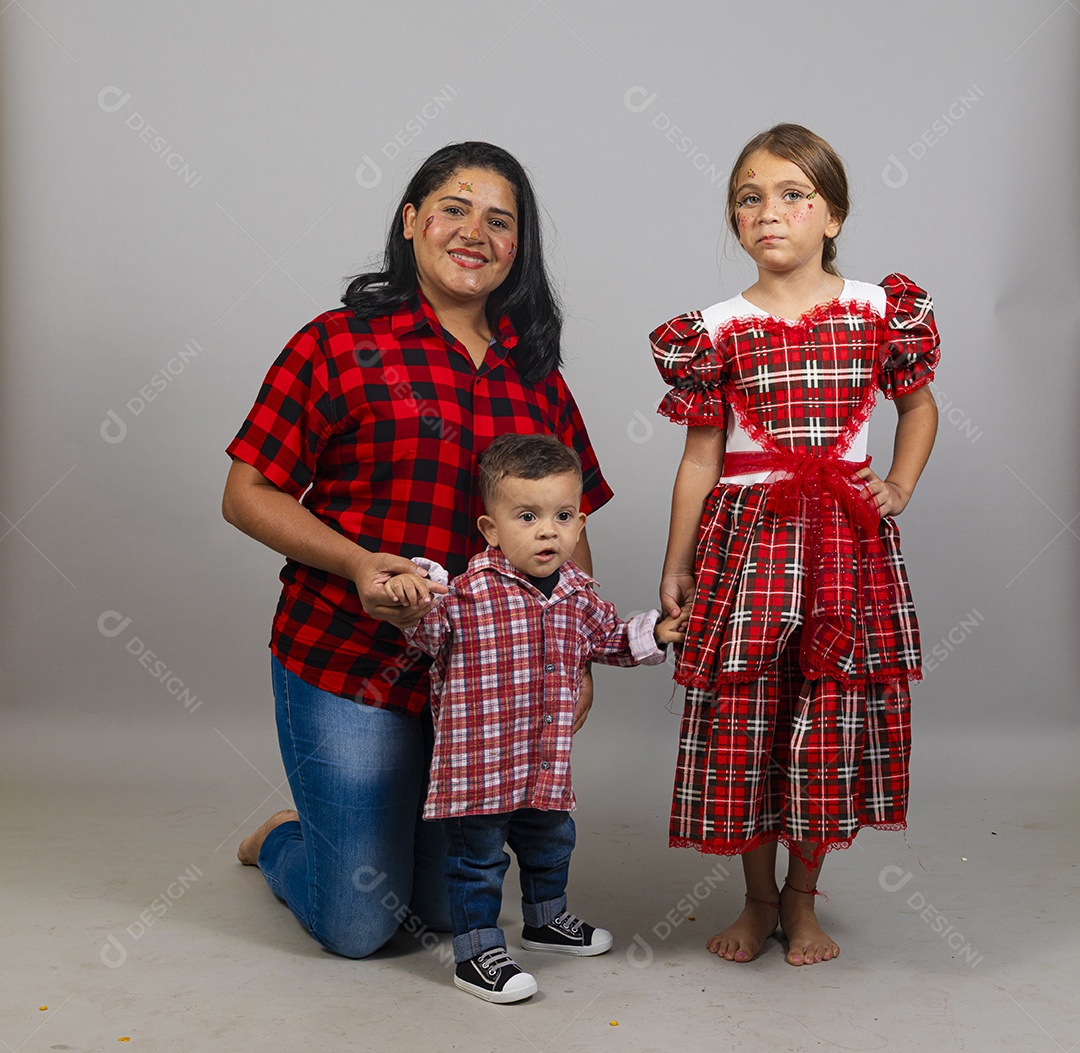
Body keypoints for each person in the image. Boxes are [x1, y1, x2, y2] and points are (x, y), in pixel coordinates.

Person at [222, 142, 614, 959]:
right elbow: (245, 493)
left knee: (444, 911)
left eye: (500, 222)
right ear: (411, 223)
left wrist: (574, 653)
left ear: (518, 248)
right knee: (362, 925)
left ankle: (360, 835)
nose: (475, 232)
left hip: (478, 689)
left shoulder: (535, 375)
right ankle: (288, 841)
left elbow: (569, 524)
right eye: (455, 209)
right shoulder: (336, 343)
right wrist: (359, 564)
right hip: (349, 665)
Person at [650, 124, 940, 967]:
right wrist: (676, 563)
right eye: (748, 197)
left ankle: (804, 901)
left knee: (827, 716)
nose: (767, 212)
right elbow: (700, 455)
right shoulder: (712, 329)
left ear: (834, 215)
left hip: (846, 547)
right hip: (747, 543)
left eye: (791, 195)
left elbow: (918, 409)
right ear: (734, 219)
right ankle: (757, 898)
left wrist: (900, 483)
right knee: (749, 716)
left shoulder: (881, 312)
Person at [383, 433, 684, 1002]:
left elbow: (608, 640)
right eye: (527, 516)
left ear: (580, 522)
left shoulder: (579, 594)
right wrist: (409, 596)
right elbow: (425, 632)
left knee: (553, 843)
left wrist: (655, 632)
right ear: (491, 530)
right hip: (482, 770)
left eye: (562, 515)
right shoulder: (464, 595)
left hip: (545, 764)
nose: (548, 530)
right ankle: (477, 953)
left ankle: (546, 920)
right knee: (478, 862)